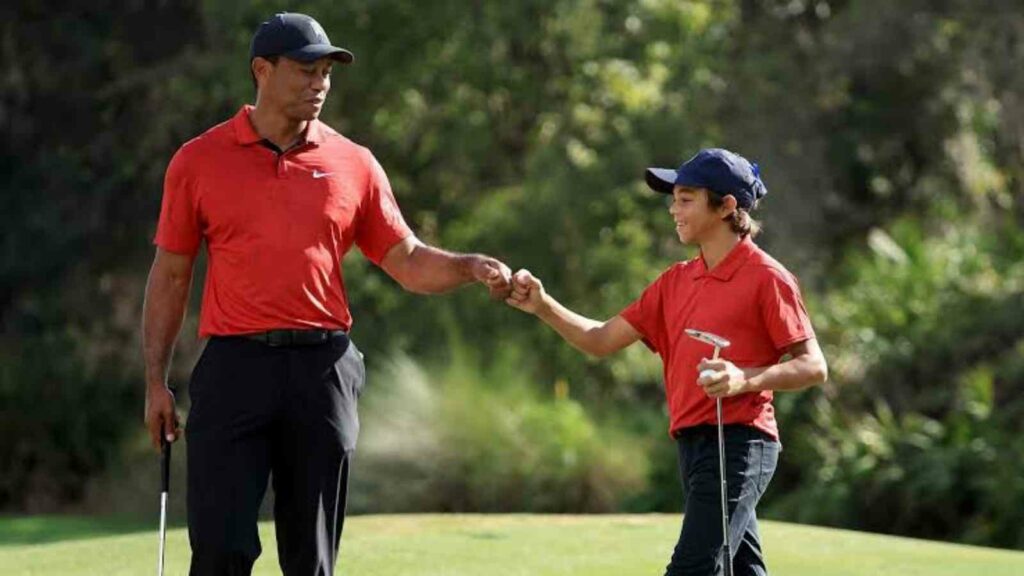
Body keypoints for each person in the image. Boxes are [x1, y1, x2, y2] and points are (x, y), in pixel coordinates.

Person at [141, 12, 512, 576]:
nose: (319, 84)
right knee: (220, 550)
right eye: (305, 70)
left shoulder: (353, 162)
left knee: (311, 558)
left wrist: (469, 266)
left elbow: (407, 262)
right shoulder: (198, 161)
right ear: (261, 71)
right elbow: (170, 275)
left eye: (326, 74)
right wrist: (155, 381)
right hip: (234, 367)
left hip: (322, 370)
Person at [507, 148, 828, 576]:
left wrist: (743, 379)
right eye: (673, 198)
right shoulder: (675, 282)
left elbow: (813, 366)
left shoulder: (767, 277)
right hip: (693, 446)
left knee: (691, 568)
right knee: (742, 569)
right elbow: (601, 339)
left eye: (686, 198)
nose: (672, 209)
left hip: (740, 443)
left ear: (727, 206)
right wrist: (543, 306)